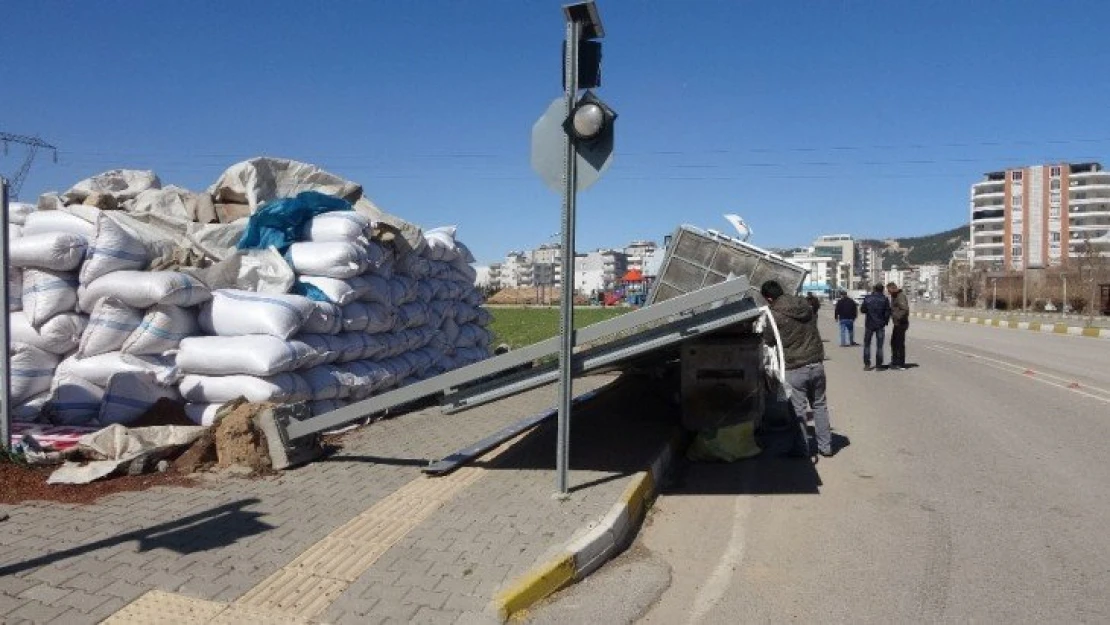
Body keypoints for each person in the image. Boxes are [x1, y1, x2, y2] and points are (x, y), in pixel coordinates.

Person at [761, 280, 833, 457]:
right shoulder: (804, 305)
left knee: (798, 411)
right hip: (816, 363)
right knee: (820, 405)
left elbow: (769, 340)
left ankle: (802, 449)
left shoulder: (773, 315)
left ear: (769, 298)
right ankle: (826, 447)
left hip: (795, 367)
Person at [860, 284, 891, 371]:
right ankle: (878, 365)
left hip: (869, 324)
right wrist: (885, 322)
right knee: (879, 346)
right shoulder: (884, 299)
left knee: (867, 345)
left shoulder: (868, 298)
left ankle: (867, 365)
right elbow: (888, 312)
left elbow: (862, 310)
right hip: (880, 325)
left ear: (874, 289)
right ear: (882, 290)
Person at [887, 282, 910, 370]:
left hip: (901, 323)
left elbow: (905, 309)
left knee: (899, 344)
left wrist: (897, 316)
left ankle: (900, 363)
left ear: (893, 289)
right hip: (897, 323)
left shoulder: (900, 296)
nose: (888, 293)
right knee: (894, 342)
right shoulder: (895, 296)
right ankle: (895, 361)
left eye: (889, 290)